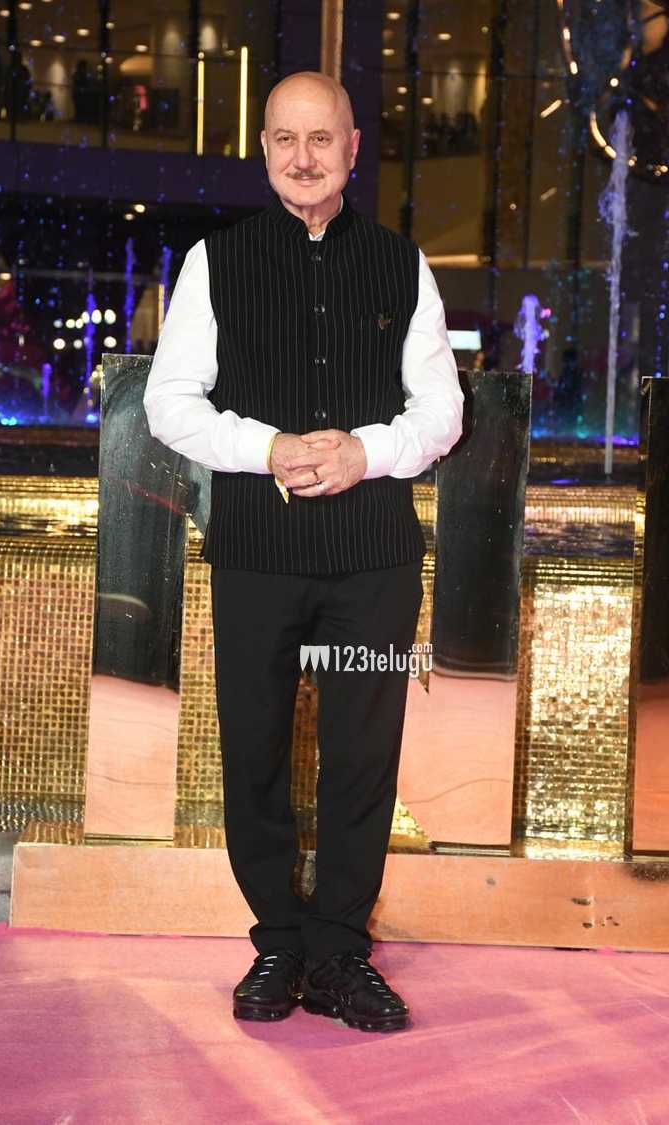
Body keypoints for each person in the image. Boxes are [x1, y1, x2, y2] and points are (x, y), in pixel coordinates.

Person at [143, 70, 463, 1033]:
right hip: (256, 554)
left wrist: (369, 452)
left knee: (363, 755)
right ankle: (278, 940)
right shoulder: (215, 262)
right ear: (266, 150)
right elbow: (169, 402)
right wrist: (267, 448)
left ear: (353, 149)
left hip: (373, 558)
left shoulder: (402, 262)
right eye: (285, 139)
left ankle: (338, 952)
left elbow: (441, 410)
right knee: (255, 750)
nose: (303, 157)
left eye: (321, 138)